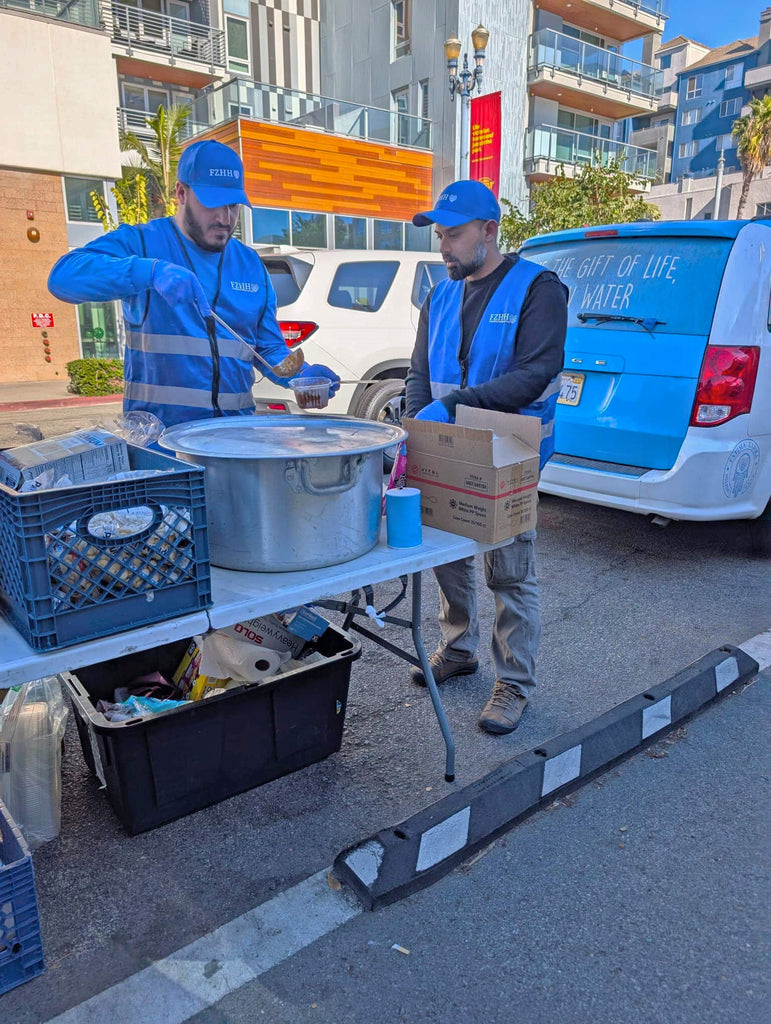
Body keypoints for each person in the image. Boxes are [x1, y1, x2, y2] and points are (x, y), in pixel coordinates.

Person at [405, 179, 567, 735]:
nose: (443, 247)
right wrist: (417, 421)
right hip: (448, 447)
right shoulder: (440, 293)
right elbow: (419, 372)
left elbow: (534, 373)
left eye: (452, 235)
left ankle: (515, 683)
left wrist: (451, 405)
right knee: (448, 553)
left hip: (511, 450)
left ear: (489, 230)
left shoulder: (538, 288)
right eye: (439, 235)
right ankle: (458, 648)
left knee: (509, 569)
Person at [48, 139, 339, 428]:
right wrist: (147, 272)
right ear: (181, 193)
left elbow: (265, 348)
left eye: (233, 206)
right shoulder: (144, 243)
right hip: (160, 445)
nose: (225, 218)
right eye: (212, 204)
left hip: (236, 440)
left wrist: (300, 375)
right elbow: (62, 277)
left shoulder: (250, 265)